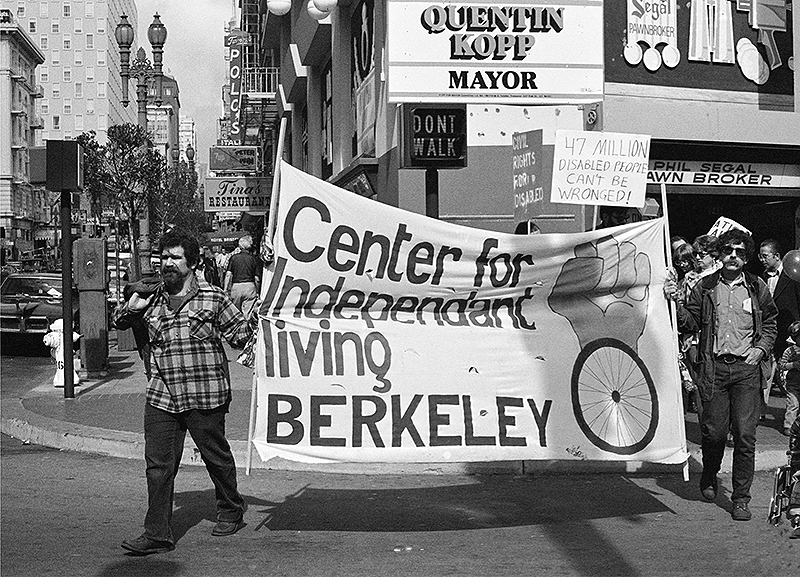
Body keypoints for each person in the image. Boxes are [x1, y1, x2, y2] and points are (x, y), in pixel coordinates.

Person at [113, 230, 255, 555]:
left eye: (175, 257)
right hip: (162, 394)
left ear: (192, 263)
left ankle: (231, 509)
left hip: (204, 393)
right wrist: (132, 307)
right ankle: (157, 533)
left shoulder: (214, 298)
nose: (168, 263)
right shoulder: (151, 297)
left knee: (215, 457)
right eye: (164, 257)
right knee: (158, 466)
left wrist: (262, 318)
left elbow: (240, 336)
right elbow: (120, 322)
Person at [665, 228, 777, 521]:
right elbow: (690, 322)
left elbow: (771, 322)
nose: (733, 256)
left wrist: (761, 349)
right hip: (713, 368)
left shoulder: (757, 287)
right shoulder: (705, 286)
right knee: (713, 433)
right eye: (728, 251)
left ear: (746, 257)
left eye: (740, 252)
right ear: (720, 254)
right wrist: (675, 302)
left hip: (746, 369)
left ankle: (741, 498)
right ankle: (710, 473)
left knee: (745, 435)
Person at [760, 239, 800, 402]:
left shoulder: (793, 274)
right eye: (760, 256)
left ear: (776, 256)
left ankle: (793, 411)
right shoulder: (763, 277)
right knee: (766, 372)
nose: (762, 260)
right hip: (769, 331)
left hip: (790, 331)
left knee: (791, 375)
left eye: (765, 256)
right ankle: (761, 408)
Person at [224, 234, 261, 319]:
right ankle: (247, 325)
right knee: (248, 313)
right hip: (250, 287)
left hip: (236, 287)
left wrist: (225, 289)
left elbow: (228, 275)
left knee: (235, 312)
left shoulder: (233, 258)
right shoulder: (253, 259)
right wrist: (257, 291)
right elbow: (257, 279)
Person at [779, 322, 800, 436]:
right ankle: (788, 425)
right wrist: (793, 365)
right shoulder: (790, 351)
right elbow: (781, 365)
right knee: (793, 403)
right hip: (793, 382)